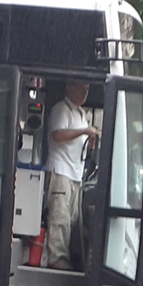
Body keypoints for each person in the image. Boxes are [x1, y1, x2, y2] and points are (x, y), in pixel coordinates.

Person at [45, 80, 99, 270]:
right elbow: (58, 135)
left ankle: (66, 256)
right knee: (59, 216)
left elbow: (78, 141)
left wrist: (89, 141)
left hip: (76, 172)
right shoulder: (62, 109)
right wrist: (84, 131)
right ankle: (56, 257)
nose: (85, 92)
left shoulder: (81, 114)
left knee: (72, 219)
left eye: (87, 89)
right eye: (81, 87)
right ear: (69, 87)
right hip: (61, 170)